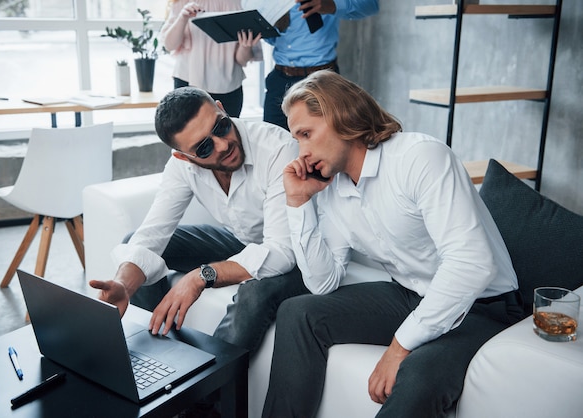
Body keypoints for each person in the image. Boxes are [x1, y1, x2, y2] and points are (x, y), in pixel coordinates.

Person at [262, 71, 526, 417]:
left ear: (342, 116)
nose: (303, 153)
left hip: (482, 305)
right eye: (297, 140)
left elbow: (471, 263)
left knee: (417, 374)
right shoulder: (333, 187)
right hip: (409, 294)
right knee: (298, 312)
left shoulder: (420, 157)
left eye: (306, 134)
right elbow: (321, 283)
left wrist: (399, 347)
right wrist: (298, 204)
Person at [89, 86, 308, 356]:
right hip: (244, 243)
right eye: (204, 148)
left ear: (222, 108)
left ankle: (208, 388)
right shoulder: (182, 166)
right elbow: (153, 233)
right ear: (184, 156)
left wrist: (201, 276)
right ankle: (157, 356)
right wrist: (123, 285)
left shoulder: (278, 149)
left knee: (255, 294)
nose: (223, 144)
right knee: (135, 250)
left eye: (221, 126)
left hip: (301, 253)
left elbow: (281, 252)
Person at [243, 0, 379, 130]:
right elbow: (276, 40)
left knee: (324, 147)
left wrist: (332, 5)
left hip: (320, 80)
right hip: (279, 80)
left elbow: (371, 5)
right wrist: (260, 31)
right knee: (273, 144)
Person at [160, 1, 263, 117]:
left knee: (226, 133)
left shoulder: (238, 3)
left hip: (229, 87)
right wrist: (183, 17)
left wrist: (245, 46)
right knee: (188, 133)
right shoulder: (182, 2)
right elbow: (170, 45)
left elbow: (241, 60)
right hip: (187, 83)